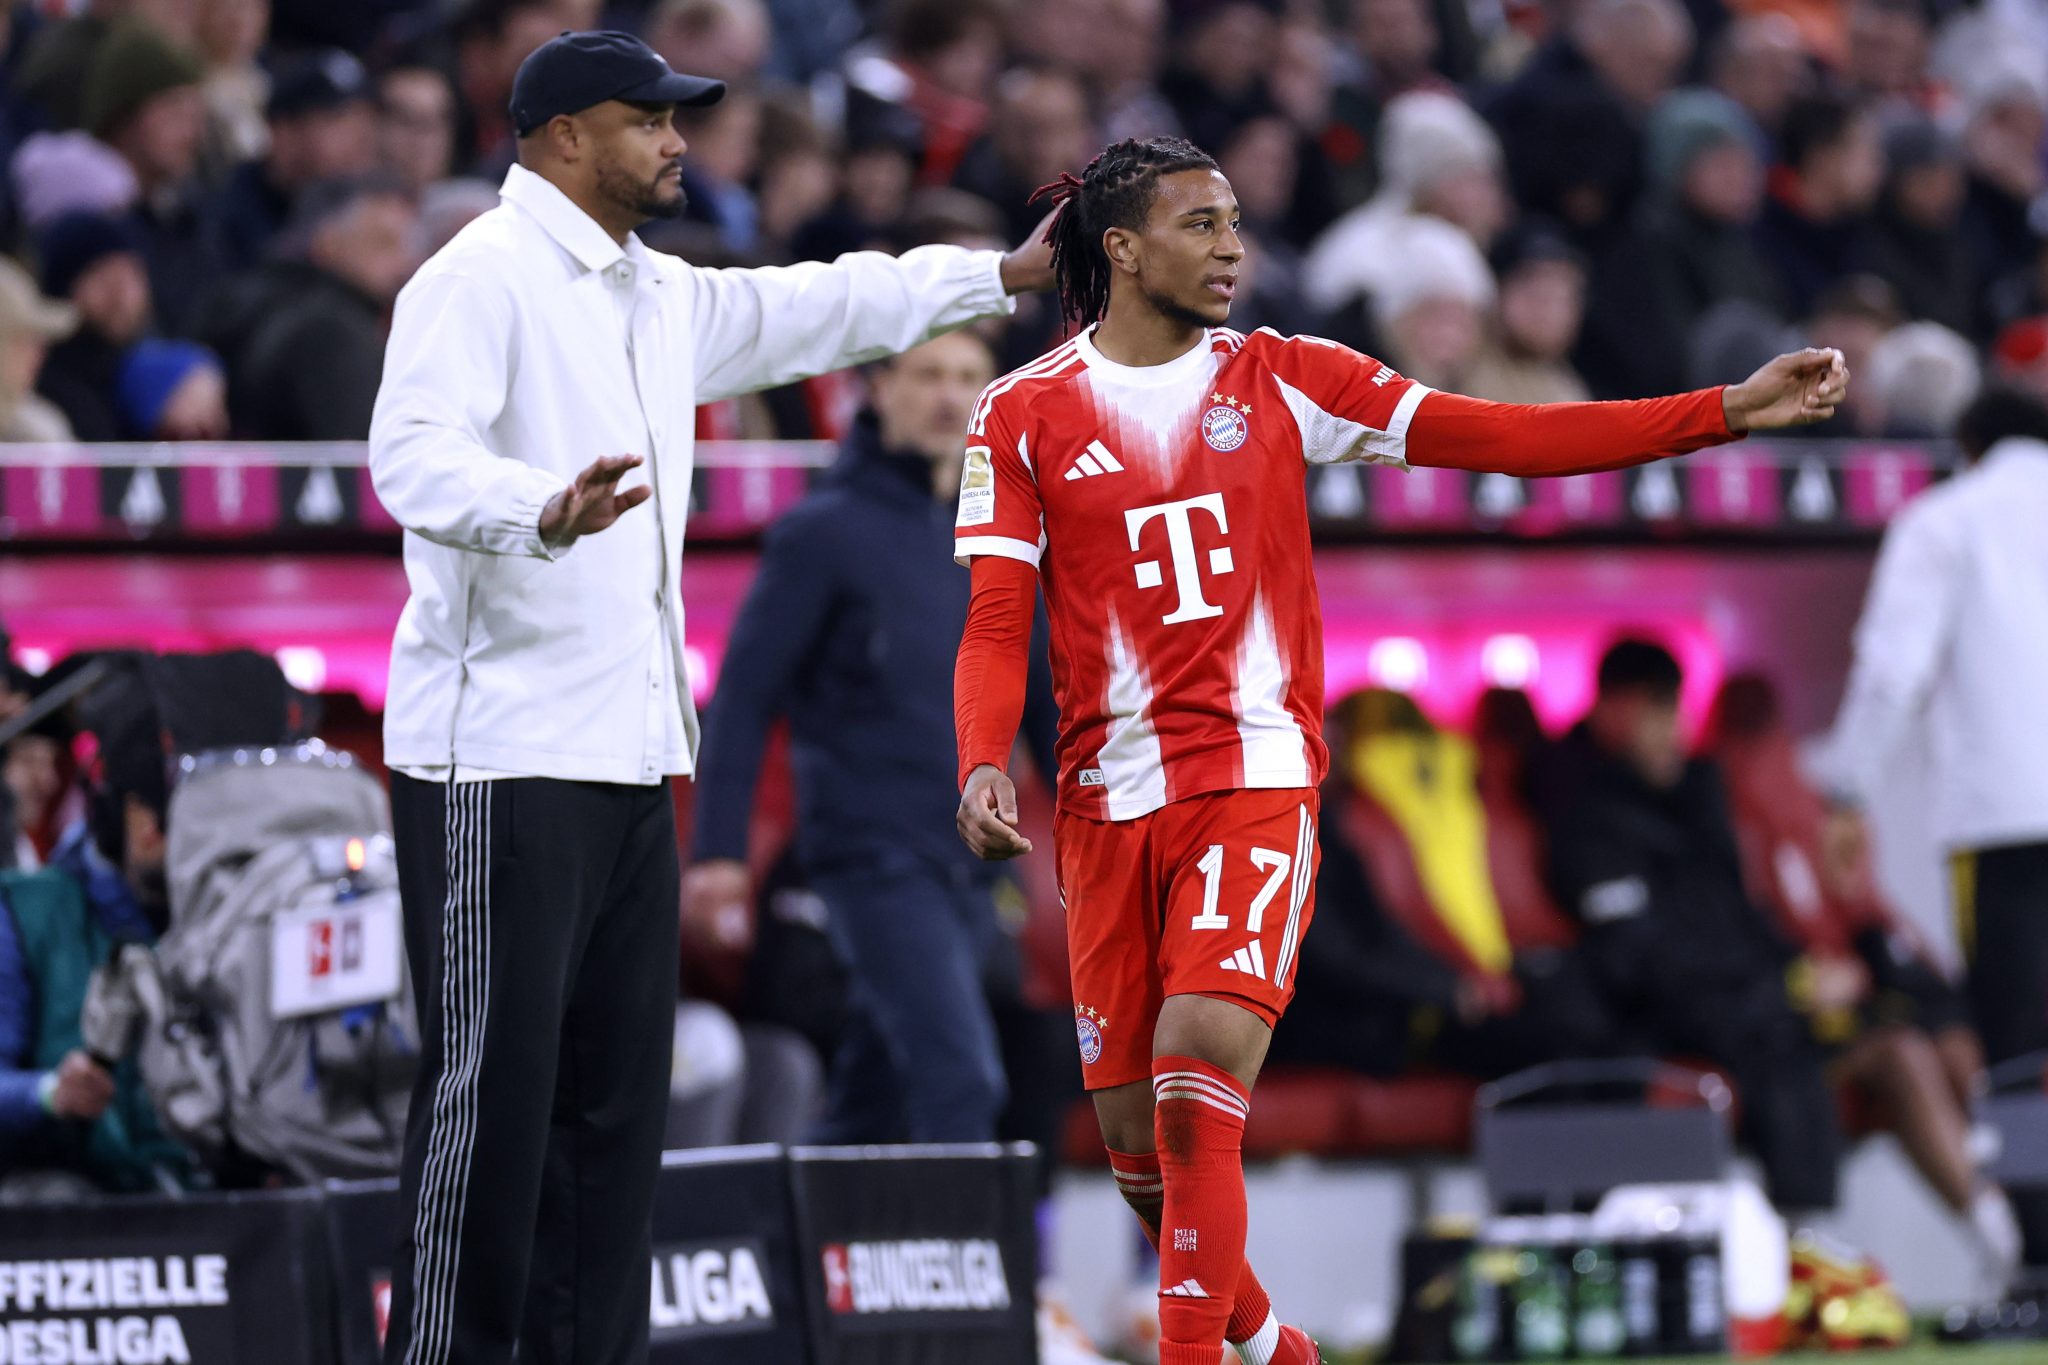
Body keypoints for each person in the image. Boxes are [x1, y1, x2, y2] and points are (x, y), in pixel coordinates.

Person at [949, 134, 1846, 1365]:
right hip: (1107, 804)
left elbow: (1502, 436)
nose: (1233, 250)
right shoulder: (1019, 413)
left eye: (1234, 224)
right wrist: (983, 756)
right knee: (1140, 1166)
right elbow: (998, 616)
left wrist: (1718, 413)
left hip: (1252, 776)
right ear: (1120, 248)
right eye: (1201, 226)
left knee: (1196, 1070)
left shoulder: (1283, 377)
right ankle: (1278, 1350)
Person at [365, 30, 1050, 1365]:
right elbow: (408, 453)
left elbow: (822, 304)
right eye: (649, 120)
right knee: (489, 1117)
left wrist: (999, 274)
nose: (679, 143)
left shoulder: (652, 294)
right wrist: (535, 512)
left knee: (619, 1125)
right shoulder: (479, 280)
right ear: (564, 135)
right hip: (494, 761)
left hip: (627, 765)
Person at [684, 330, 1057, 1143]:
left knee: (875, 1095)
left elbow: (1042, 704)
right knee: (960, 1080)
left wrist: (1105, 834)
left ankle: (783, 1246)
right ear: (879, 390)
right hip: (868, 857)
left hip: (969, 865)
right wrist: (719, 854)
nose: (949, 397)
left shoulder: (1001, 533)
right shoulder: (822, 533)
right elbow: (744, 698)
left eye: (968, 378)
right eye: (927, 375)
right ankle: (971, 1271)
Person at [1816, 384, 2048, 1285]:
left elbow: (1892, 665)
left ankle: (2037, 1260)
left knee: (2020, 1048)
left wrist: (1847, 789)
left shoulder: (1950, 517)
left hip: (2005, 823)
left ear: (1969, 442)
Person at [1534, 640, 1847, 1222]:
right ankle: (1798, 1243)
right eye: (1655, 710)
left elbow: (1732, 913)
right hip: (1645, 1007)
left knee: (1863, 1032)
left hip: (1726, 991)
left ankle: (1801, 1244)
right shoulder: (1577, 802)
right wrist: (1770, 987)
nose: (1670, 730)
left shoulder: (1697, 797)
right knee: (1773, 1035)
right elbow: (1630, 950)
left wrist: (1791, 972)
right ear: (1612, 709)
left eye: (1673, 710)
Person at [201, 178, 417, 439]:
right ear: (328, 242)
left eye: (407, 244)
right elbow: (362, 455)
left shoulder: (258, 301)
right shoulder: (333, 331)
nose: (404, 262)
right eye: (383, 242)